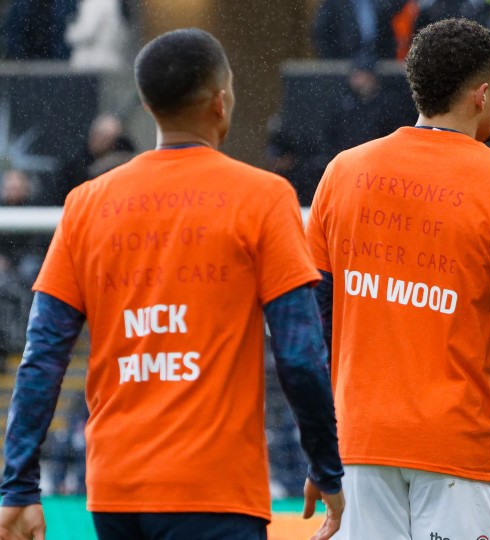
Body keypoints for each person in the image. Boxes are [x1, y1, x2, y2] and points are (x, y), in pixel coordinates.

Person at [0, 28, 345, 540]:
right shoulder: (264, 197)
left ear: (147, 102)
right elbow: (298, 354)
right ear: (221, 100)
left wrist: (18, 488)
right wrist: (327, 467)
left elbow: (44, 354)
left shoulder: (86, 205)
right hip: (217, 492)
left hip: (117, 494)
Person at [305, 18, 490, 540]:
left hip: (357, 448)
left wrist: (321, 448)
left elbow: (313, 331)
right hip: (455, 452)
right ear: (480, 95)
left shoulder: (342, 173)